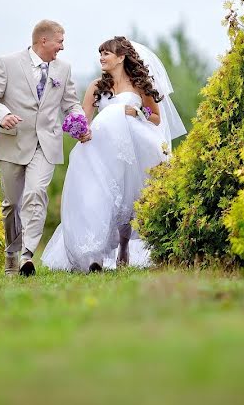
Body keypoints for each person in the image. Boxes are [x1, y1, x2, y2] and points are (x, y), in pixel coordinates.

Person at [41, 36, 186, 272]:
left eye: (106, 53)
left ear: (121, 57)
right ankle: (94, 254)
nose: (102, 58)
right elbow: (84, 118)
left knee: (129, 196)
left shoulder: (140, 86)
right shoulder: (97, 87)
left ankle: (125, 246)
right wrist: (79, 130)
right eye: (100, 53)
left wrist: (138, 112)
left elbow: (156, 117)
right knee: (98, 195)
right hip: (101, 149)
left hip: (134, 147)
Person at [0, 20, 89, 277]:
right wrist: (2, 115)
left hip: (46, 144)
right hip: (12, 142)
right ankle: (11, 253)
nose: (62, 47)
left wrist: (78, 122)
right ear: (43, 41)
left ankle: (27, 255)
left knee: (36, 193)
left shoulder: (64, 69)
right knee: (11, 204)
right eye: (60, 41)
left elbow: (70, 104)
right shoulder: (7, 63)